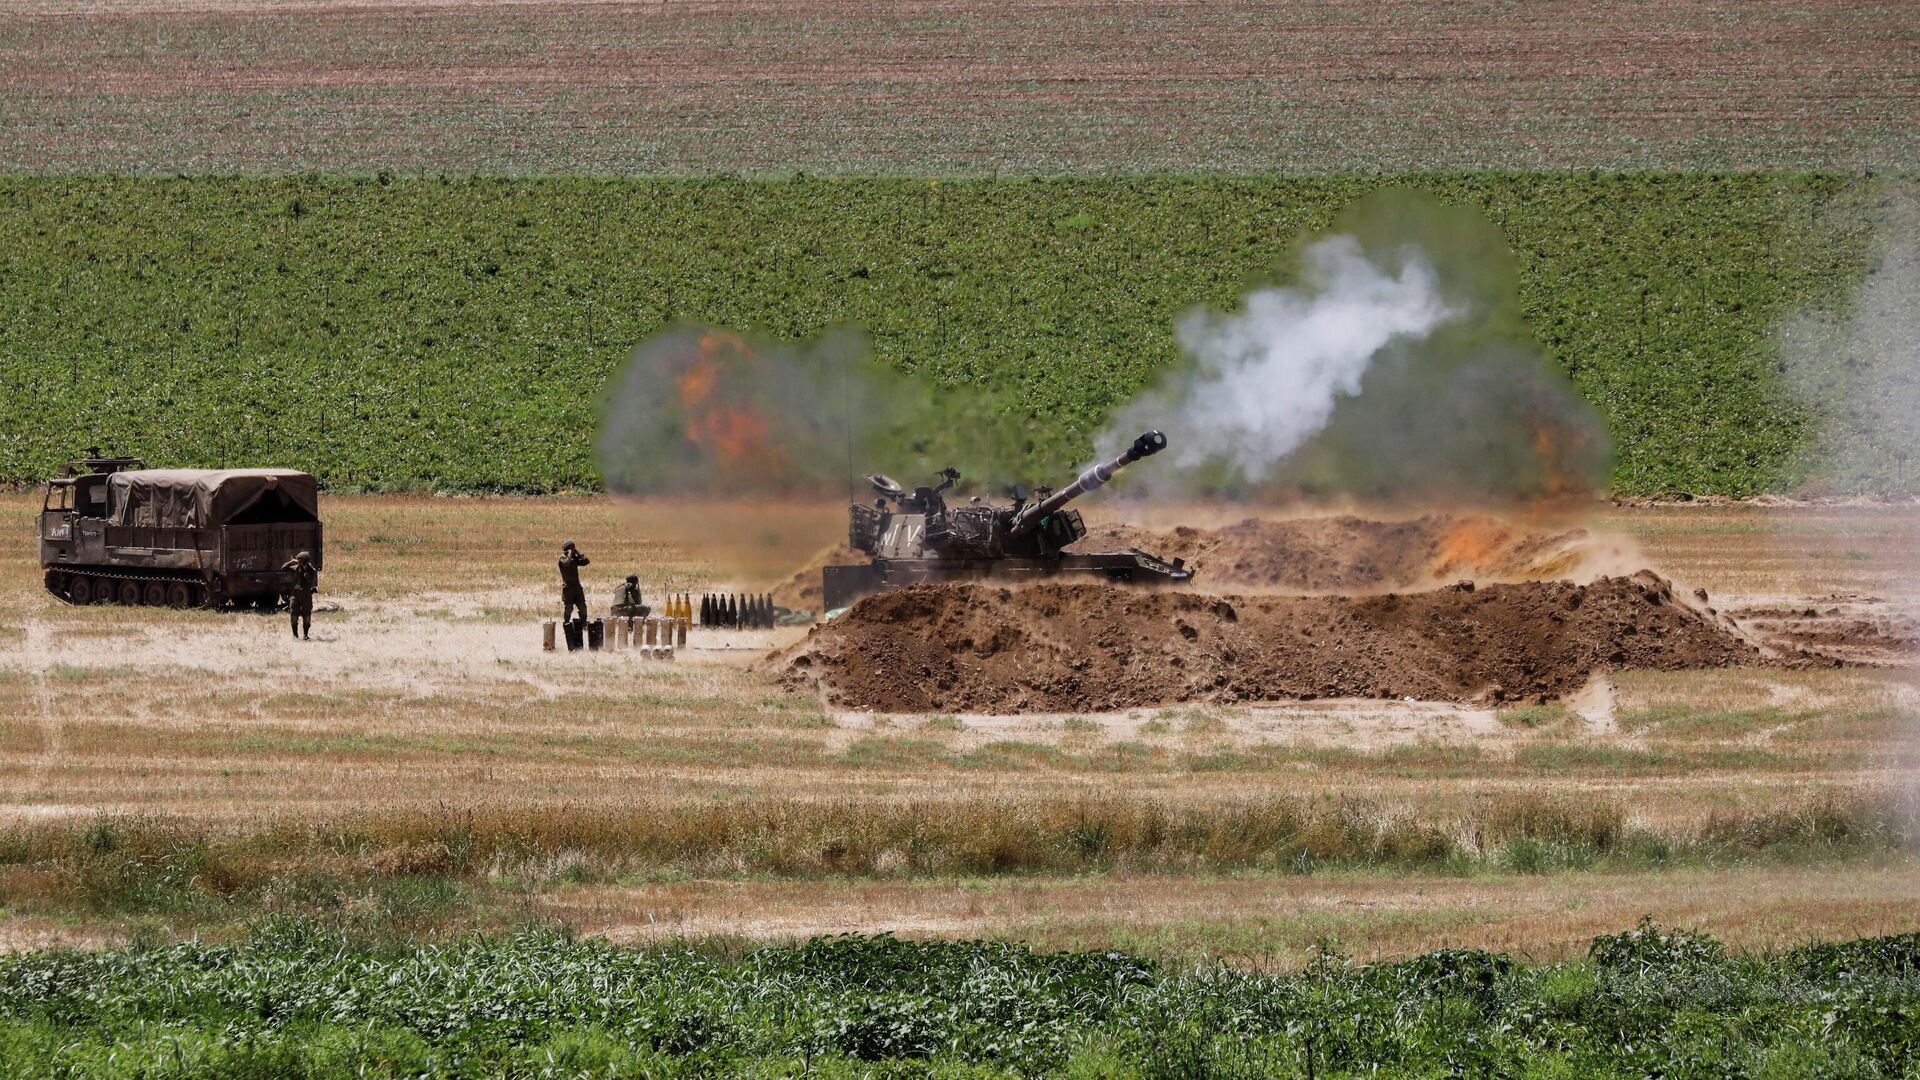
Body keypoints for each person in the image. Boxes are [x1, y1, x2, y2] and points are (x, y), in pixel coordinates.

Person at [281, 550, 319, 640]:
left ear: (306, 561)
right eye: (298, 560)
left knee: (307, 616)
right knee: (293, 615)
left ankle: (305, 635)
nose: (299, 562)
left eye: (301, 560)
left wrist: (305, 571)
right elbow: (283, 568)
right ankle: (295, 635)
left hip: (306, 595)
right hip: (296, 594)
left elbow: (310, 579)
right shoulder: (297, 568)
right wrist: (291, 562)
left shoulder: (311, 570)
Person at [558, 540, 590, 622]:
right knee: (569, 607)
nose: (573, 548)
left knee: (582, 606)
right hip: (568, 588)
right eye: (571, 547)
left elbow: (586, 561)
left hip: (577, 587)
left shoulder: (574, 558)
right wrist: (569, 554)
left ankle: (583, 623)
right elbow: (566, 563)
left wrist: (578, 554)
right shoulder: (563, 557)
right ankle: (566, 623)